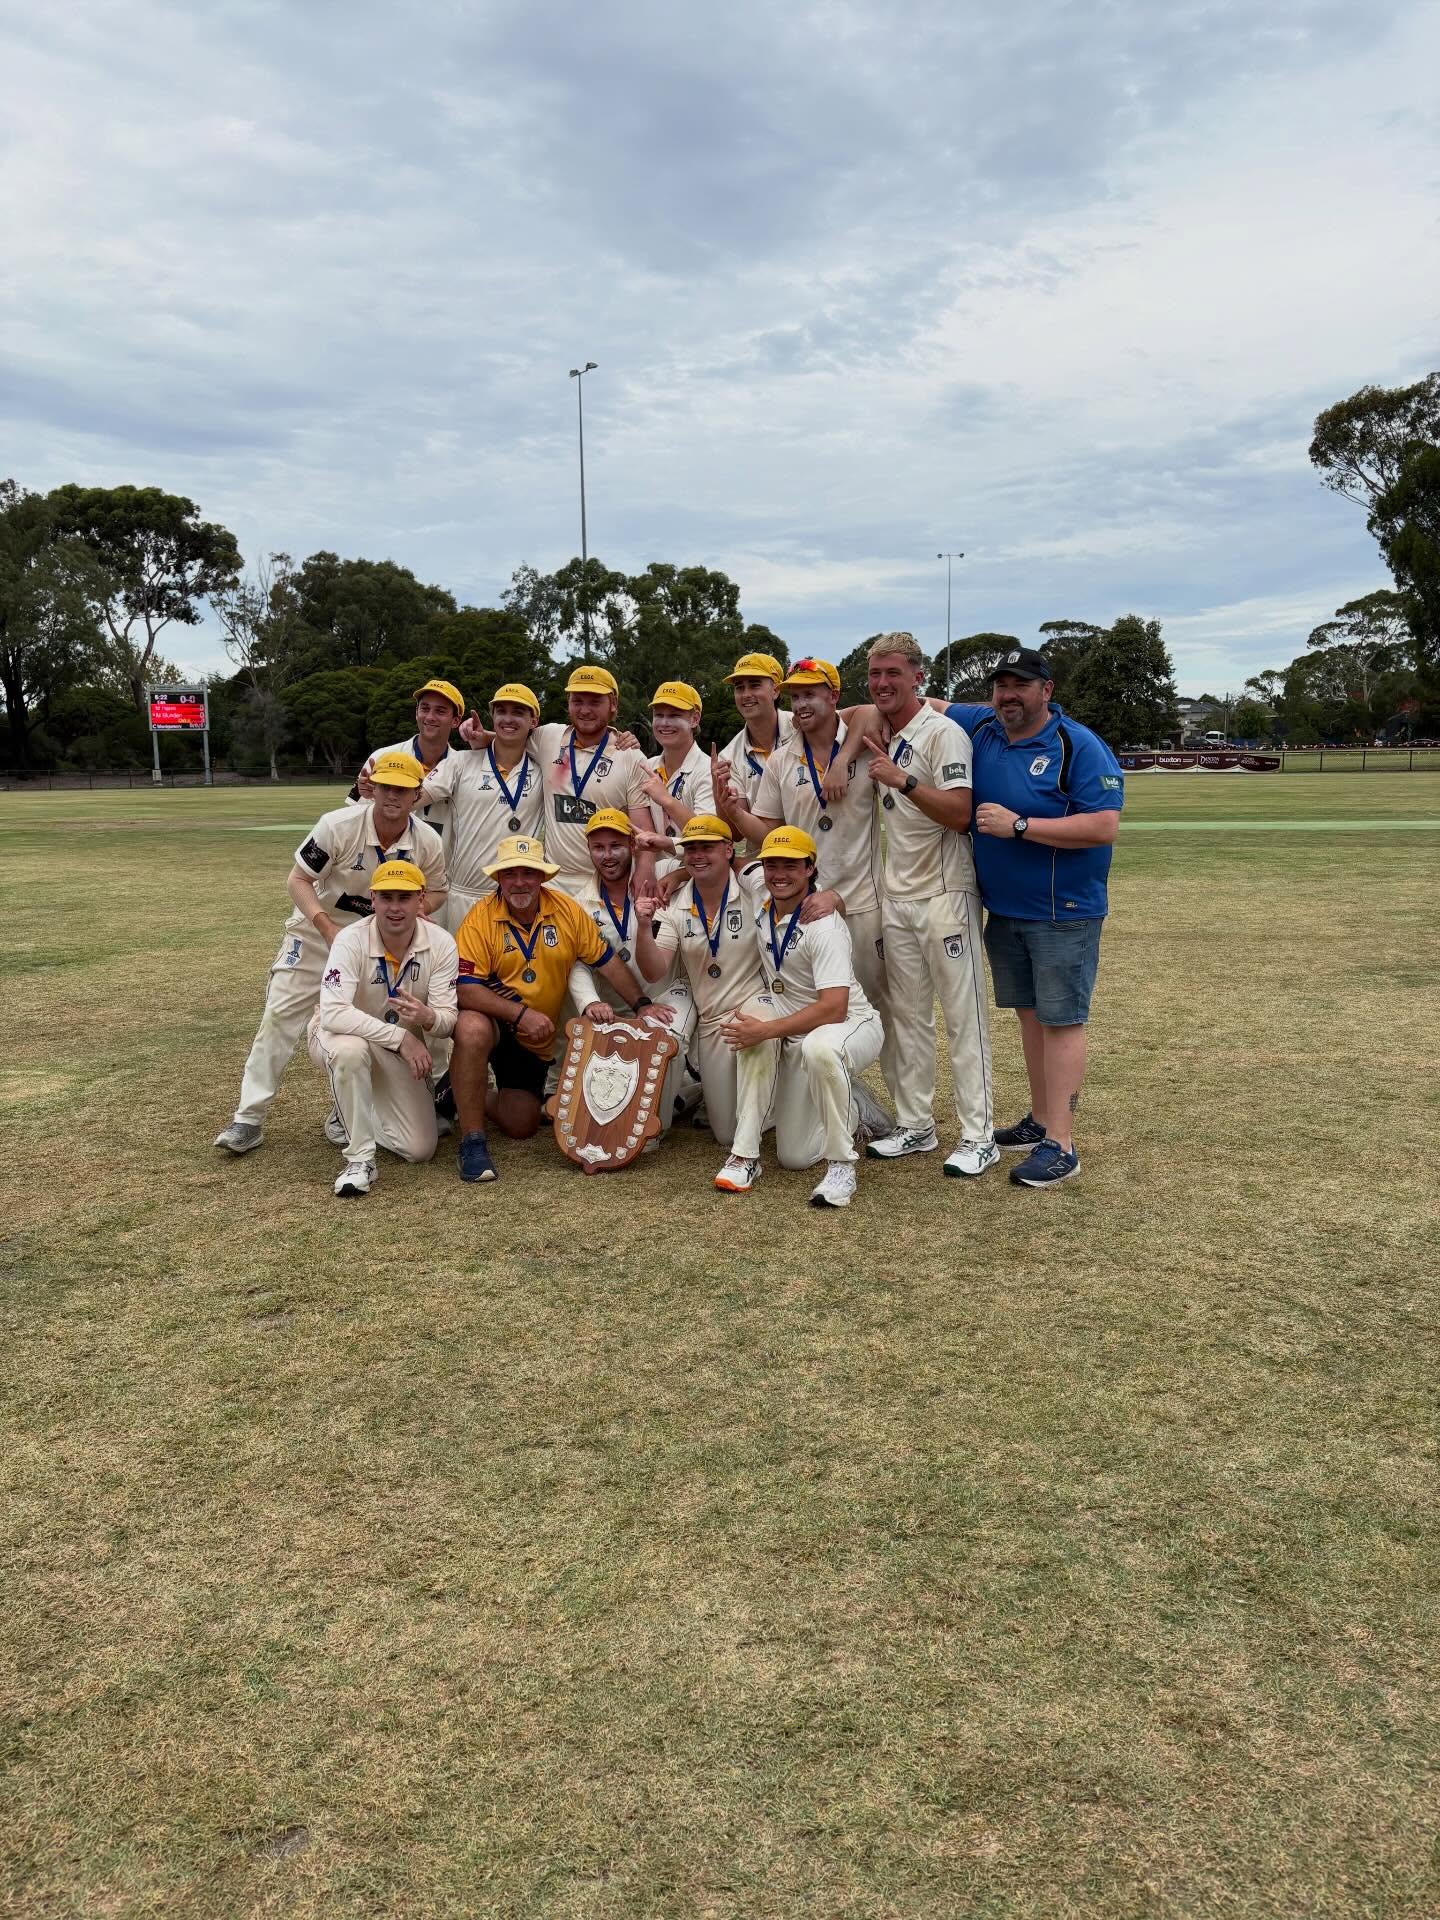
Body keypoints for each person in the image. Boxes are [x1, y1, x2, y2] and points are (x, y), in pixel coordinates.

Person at [946, 646, 1124, 1187]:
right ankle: (1041, 1118)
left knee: (1061, 1020)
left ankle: (1061, 1145)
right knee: (1028, 1016)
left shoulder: (1077, 744)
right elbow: (913, 700)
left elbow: (1103, 826)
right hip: (1005, 910)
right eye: (1000, 686)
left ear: (1046, 691)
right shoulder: (983, 726)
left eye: (1020, 685)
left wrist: (1020, 826)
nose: (1008, 695)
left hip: (1062, 912)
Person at [214, 750, 447, 1154]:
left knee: (370, 1028)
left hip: (378, 944)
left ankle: (348, 1109)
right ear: (372, 789)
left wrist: (419, 909)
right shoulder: (337, 825)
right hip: (318, 934)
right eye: (386, 787)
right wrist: (328, 928)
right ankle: (248, 1119)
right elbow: (298, 880)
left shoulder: (427, 841)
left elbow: (439, 890)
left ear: (417, 795)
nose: (393, 796)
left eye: (404, 790)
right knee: (278, 1018)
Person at [843, 632, 996, 1177]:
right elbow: (814, 711)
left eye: (893, 674)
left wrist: (901, 780)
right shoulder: (883, 729)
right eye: (875, 675)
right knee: (906, 1018)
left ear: (918, 677)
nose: (883, 684)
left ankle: (979, 1135)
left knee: (963, 1018)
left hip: (946, 896)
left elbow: (959, 812)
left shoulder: (943, 734)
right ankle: (917, 1125)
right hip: (898, 899)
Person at [712, 656, 894, 1092]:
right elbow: (767, 835)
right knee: (819, 1006)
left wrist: (842, 759)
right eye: (797, 695)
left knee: (877, 1012)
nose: (803, 703)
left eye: (811, 693)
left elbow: (871, 711)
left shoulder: (862, 737)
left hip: (862, 902)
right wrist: (733, 809)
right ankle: (833, 1101)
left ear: (833, 696)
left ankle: (909, 1117)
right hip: (807, 905)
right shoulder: (780, 759)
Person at [448, 835, 675, 1181]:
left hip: (531, 1041)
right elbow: (465, 990)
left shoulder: (566, 910)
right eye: (510, 874)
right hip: (497, 1020)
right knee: (471, 1028)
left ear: (542, 877)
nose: (520, 882)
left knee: (522, 1125)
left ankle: (461, 1091)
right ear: (498, 878)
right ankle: (472, 1142)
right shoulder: (479, 918)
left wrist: (641, 1004)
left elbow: (606, 961)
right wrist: (520, 1014)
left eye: (529, 873)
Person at [713, 826, 884, 1210]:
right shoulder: (762, 887)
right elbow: (729, 860)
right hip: (790, 1019)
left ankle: (843, 1163)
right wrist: (676, 870)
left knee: (818, 1047)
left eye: (791, 865)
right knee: (793, 1156)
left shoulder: (824, 926)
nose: (779, 873)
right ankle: (745, 1155)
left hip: (847, 1025)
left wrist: (766, 1031)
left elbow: (833, 1008)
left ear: (810, 869)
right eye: (772, 864)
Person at [307, 859, 459, 1197]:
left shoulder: (441, 943)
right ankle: (360, 1160)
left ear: (421, 900)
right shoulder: (351, 939)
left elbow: (447, 1021)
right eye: (386, 897)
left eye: (404, 898)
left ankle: (348, 1109)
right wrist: (402, 1035)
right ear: (372, 900)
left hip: (391, 1047)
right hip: (338, 1035)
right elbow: (333, 1014)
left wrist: (426, 1018)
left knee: (420, 1149)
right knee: (350, 1051)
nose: (394, 907)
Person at [631, 813, 767, 1150]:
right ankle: (695, 1087)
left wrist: (832, 899)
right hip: (711, 1018)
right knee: (725, 1134)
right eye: (690, 849)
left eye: (707, 847)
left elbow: (794, 879)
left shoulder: (752, 889)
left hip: (757, 1002)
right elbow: (653, 971)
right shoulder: (674, 904)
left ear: (728, 851)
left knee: (764, 1037)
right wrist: (644, 928)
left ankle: (810, 1096)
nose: (697, 855)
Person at [463, 664, 656, 899]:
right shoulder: (549, 737)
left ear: (613, 704)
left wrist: (644, 871)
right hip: (555, 882)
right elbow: (511, 738)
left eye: (595, 701)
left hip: (609, 883)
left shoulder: (630, 757)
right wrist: (480, 735)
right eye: (577, 701)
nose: (585, 710)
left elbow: (643, 829)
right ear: (568, 703)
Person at [416, 682, 546, 931]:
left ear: (534, 721)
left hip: (517, 899)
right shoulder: (461, 762)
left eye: (518, 712)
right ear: (492, 717)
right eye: (501, 711)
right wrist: (381, 791)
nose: (508, 719)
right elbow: (416, 796)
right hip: (463, 896)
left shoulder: (543, 770)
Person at [350, 678, 465, 838]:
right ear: (417, 712)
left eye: (440, 711)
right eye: (425, 708)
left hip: (440, 860)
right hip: (387, 859)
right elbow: (353, 815)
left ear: (455, 721)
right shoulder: (381, 757)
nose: (430, 717)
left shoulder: (465, 767)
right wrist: (373, 796)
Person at [716, 651, 794, 852]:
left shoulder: (803, 727)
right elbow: (736, 834)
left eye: (755, 685)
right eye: (739, 687)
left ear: (776, 690)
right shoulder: (729, 756)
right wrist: (722, 797)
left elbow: (862, 716)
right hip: (764, 860)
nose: (746, 694)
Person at [640, 680, 715, 864]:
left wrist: (666, 800)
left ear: (694, 719)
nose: (664, 723)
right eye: (659, 715)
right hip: (652, 875)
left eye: (674, 715)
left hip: (697, 873)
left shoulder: (708, 770)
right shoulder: (646, 766)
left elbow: (708, 834)